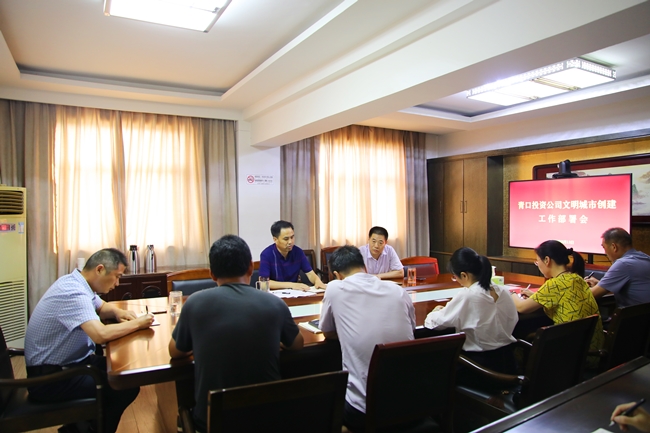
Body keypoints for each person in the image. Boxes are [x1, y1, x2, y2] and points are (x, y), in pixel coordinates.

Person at [169, 235, 304, 433]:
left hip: (213, 422)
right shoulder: (275, 303)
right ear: (250, 268)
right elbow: (297, 344)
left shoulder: (194, 303)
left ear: (212, 274)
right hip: (269, 421)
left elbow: (175, 351)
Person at [25, 248, 154, 433]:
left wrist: (118, 312)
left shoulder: (78, 283)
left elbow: (101, 307)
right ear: (100, 269)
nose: (117, 283)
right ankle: (88, 429)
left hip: (70, 364)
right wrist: (138, 324)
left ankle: (79, 428)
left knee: (125, 374)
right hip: (49, 380)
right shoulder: (73, 292)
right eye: (116, 277)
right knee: (123, 387)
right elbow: (99, 334)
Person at [319, 245, 415, 431]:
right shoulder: (397, 290)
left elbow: (327, 331)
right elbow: (410, 329)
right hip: (411, 405)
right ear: (364, 267)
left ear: (337, 275)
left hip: (364, 411)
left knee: (320, 404)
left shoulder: (335, 288)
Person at [424, 247, 518, 382]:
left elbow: (436, 324)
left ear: (464, 275)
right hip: (509, 363)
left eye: (455, 277)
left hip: (481, 369)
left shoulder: (469, 295)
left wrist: (434, 313)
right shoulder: (503, 291)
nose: (456, 280)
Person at [511, 240, 603, 368]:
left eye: (537, 261)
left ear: (547, 260)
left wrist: (511, 294)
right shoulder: (576, 279)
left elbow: (521, 308)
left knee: (519, 339)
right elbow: (562, 298)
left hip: (570, 355)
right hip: (591, 351)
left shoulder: (555, 284)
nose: (538, 265)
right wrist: (535, 296)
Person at [586, 227, 650, 307]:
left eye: (604, 247)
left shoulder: (623, 264)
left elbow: (591, 295)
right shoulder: (645, 257)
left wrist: (577, 286)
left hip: (635, 314)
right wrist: (599, 284)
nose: (605, 252)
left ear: (614, 247)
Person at [259, 220, 327, 290]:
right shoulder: (266, 255)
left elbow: (310, 274)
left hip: (294, 292)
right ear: (275, 239)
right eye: (286, 239)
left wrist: (317, 281)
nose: (290, 242)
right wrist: (292, 285)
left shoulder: (298, 252)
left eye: (292, 237)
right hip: (275, 294)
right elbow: (263, 283)